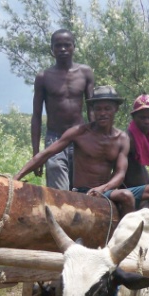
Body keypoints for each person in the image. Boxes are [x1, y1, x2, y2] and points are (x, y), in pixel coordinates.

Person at [15, 86, 136, 217]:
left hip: (105, 191)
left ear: (115, 109)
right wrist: (17, 177)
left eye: (107, 109)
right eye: (98, 109)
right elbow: (46, 153)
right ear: (92, 110)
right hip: (82, 192)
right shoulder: (79, 132)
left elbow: (120, 174)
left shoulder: (122, 138)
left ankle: (126, 235)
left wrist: (103, 188)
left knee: (134, 194)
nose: (102, 113)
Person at [29, 29, 95, 191]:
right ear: (52, 49)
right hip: (55, 139)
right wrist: (37, 155)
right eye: (58, 46)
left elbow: (92, 108)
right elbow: (36, 116)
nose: (63, 49)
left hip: (81, 138)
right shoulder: (44, 77)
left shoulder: (85, 73)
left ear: (74, 46)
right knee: (59, 193)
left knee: (82, 191)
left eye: (67, 45)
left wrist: (96, 140)